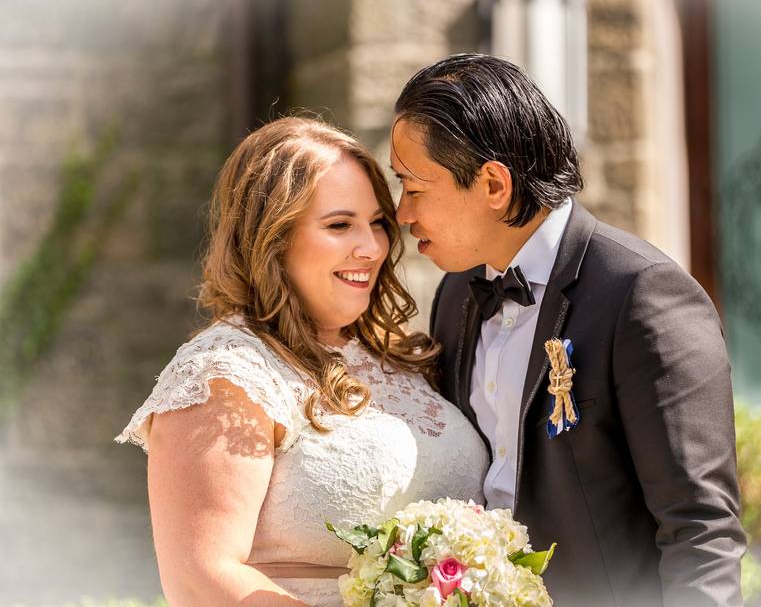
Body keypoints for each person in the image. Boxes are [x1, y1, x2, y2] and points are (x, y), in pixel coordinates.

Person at [390, 54, 747, 606]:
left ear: (492, 184)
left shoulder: (644, 295)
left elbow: (701, 533)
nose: (402, 213)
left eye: (414, 187)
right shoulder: (456, 294)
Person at [116, 117, 488, 606]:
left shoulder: (406, 357)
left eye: (377, 222)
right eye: (339, 225)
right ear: (273, 238)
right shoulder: (225, 373)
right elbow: (201, 576)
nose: (372, 247)